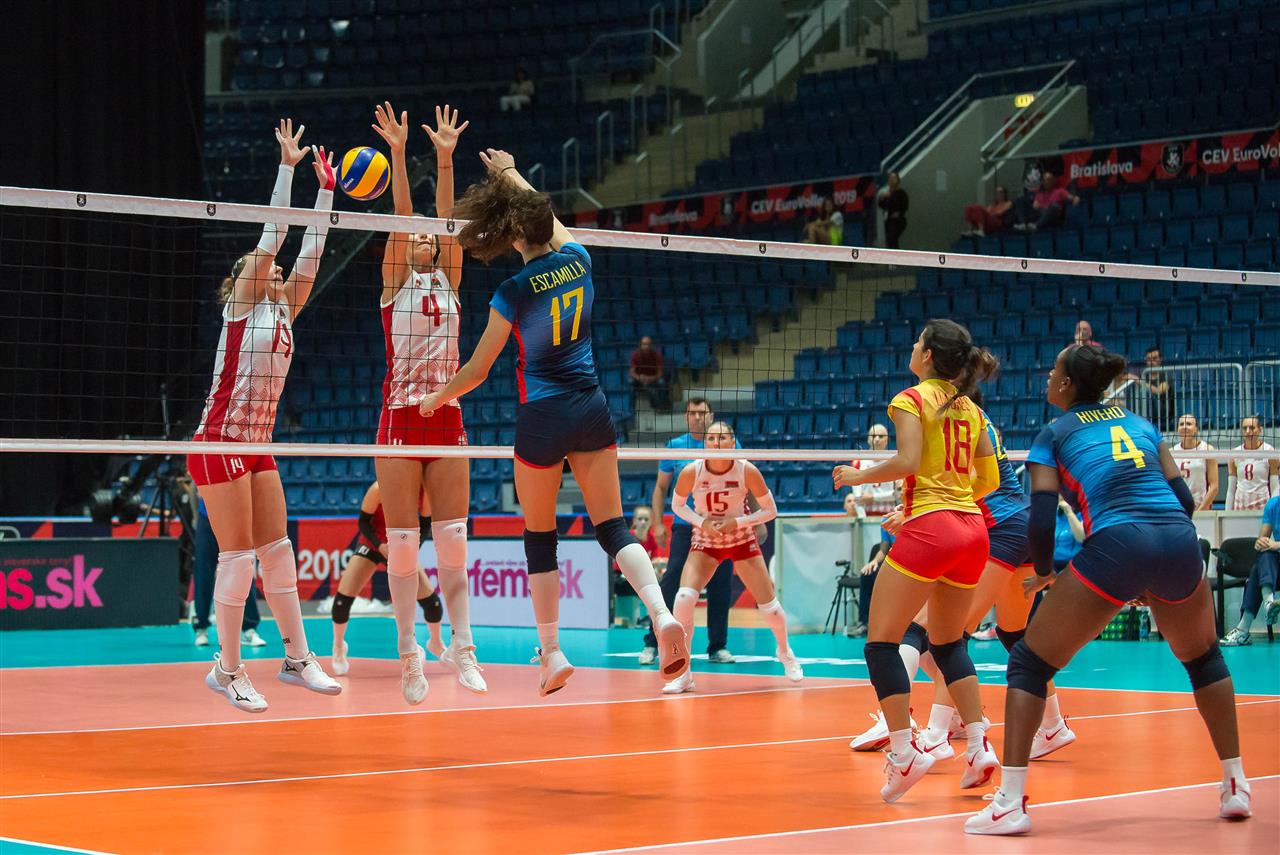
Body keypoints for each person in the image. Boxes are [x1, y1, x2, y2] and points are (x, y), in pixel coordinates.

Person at [417, 147, 690, 696]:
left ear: (516, 235)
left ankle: (552, 652)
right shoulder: (579, 260)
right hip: (591, 407)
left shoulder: (513, 291)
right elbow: (550, 220)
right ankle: (661, 615)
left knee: (540, 538)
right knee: (612, 527)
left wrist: (439, 397)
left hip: (542, 415)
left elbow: (478, 368)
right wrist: (512, 172)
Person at [965, 344, 1251, 835]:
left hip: (1119, 542)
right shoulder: (1142, 425)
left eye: (1053, 370)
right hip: (1179, 539)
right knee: (1205, 659)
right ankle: (1236, 784)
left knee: (1029, 663)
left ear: (1067, 384)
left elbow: (1040, 519)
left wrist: (1045, 571)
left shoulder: (1053, 435)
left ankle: (1009, 803)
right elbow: (1183, 499)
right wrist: (1152, 571)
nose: (1047, 376)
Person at [187, 119, 341, 712]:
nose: (276, 271)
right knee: (237, 557)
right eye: (264, 269)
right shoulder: (242, 306)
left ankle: (297, 658)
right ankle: (228, 669)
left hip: (256, 442)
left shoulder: (284, 310)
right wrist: (287, 168)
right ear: (242, 281)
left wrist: (325, 192)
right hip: (218, 439)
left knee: (277, 550)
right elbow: (274, 237)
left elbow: (311, 252)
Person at [833, 318, 1001, 803]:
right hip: (973, 529)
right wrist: (952, 495)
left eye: (918, 341)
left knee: (881, 644)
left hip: (931, 527)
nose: (912, 345)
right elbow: (989, 480)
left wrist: (855, 477)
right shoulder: (971, 408)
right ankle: (979, 745)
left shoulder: (910, 398)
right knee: (948, 644)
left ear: (928, 355)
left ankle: (905, 752)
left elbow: (907, 461)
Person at [370, 102, 484, 705]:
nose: (421, 237)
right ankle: (408, 654)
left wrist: (445, 159)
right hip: (399, 418)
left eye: (427, 237)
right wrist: (397, 153)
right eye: (412, 236)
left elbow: (446, 220)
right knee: (403, 545)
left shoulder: (451, 277)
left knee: (454, 543)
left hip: (447, 417)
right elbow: (404, 217)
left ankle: (463, 647)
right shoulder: (395, 282)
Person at [664, 421, 800, 693]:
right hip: (706, 540)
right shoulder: (691, 471)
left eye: (723, 438)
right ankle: (684, 673)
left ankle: (785, 652)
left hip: (740, 538)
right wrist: (702, 523)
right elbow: (677, 505)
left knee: (771, 608)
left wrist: (736, 522)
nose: (716, 443)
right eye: (711, 438)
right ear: (705, 443)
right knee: (683, 598)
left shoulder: (746, 469)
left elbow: (770, 511)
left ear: (733, 442)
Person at [639, 397, 747, 666]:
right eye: (692, 413)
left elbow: (747, 479)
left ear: (711, 416)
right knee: (672, 580)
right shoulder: (675, 447)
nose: (697, 417)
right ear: (686, 417)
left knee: (721, 584)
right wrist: (657, 523)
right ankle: (652, 642)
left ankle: (717, 647)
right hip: (686, 525)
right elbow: (661, 488)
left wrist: (754, 521)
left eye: (702, 413)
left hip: (721, 526)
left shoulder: (728, 444)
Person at [330, 482, 445, 676]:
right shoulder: (378, 489)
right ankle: (339, 646)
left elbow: (426, 525)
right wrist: (380, 545)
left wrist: (412, 549)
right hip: (373, 545)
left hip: (401, 547)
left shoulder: (423, 492)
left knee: (432, 604)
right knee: (342, 601)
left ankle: (435, 642)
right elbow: (363, 523)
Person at [191, 497, 266, 649]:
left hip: (236, 516)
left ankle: (249, 629)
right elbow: (194, 489)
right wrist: (195, 516)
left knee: (243, 567)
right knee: (203, 571)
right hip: (207, 516)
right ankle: (201, 627)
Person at [1220, 496, 1280, 647]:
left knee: (1257, 570)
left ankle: (1243, 629)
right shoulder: (1273, 504)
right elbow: (1262, 539)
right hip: (1275, 571)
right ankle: (1269, 603)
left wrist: (1277, 545)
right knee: (1264, 554)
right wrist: (1260, 542)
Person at [1227, 415, 1278, 511]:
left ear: (1260, 430)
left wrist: (1273, 510)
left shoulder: (1269, 452)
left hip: (1262, 506)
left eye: (1252, 428)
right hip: (1240, 507)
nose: (1248, 431)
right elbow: (1231, 490)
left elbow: (1275, 487)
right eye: (1244, 428)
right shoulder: (1234, 454)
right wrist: (1227, 512)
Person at [848, 423, 899, 517]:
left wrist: (874, 497)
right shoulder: (858, 462)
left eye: (881, 436)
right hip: (865, 514)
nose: (877, 439)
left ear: (887, 440)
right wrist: (863, 519)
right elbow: (858, 496)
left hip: (889, 515)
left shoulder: (895, 462)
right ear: (868, 439)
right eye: (873, 436)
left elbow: (899, 494)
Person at [1124, 346, 1176, 432]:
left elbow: (1159, 391)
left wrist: (1137, 380)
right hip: (1145, 408)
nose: (1151, 362)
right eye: (1148, 359)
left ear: (1160, 359)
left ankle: (1141, 422)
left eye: (1154, 358)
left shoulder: (1166, 374)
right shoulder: (1144, 375)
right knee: (1134, 391)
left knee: (1145, 392)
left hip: (1162, 412)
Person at [1176, 413, 1218, 513]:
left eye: (1188, 424)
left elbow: (1214, 486)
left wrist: (1200, 512)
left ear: (1196, 429)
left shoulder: (1206, 449)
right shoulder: (1171, 452)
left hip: (1201, 509)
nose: (1184, 427)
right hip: (1179, 510)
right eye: (1181, 424)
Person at [628, 335, 667, 409]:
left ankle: (661, 406)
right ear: (640, 345)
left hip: (653, 379)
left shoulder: (657, 355)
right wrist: (639, 378)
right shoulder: (635, 355)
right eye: (644, 344)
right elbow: (631, 372)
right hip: (640, 379)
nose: (646, 346)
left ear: (651, 345)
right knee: (631, 384)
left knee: (661, 382)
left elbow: (660, 373)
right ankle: (631, 409)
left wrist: (651, 378)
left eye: (648, 344)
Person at [1053, 496, 1085, 573]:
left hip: (1075, 564)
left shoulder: (1085, 514)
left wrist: (1069, 512)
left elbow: (1081, 538)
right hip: (1053, 563)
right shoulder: (1056, 514)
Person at [878, 172, 909, 249]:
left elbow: (904, 206)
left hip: (898, 220)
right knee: (890, 241)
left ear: (898, 180)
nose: (891, 180)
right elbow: (882, 205)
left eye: (894, 178)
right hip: (888, 220)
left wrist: (899, 213)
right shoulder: (886, 193)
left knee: (892, 238)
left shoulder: (901, 193)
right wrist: (882, 198)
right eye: (890, 178)